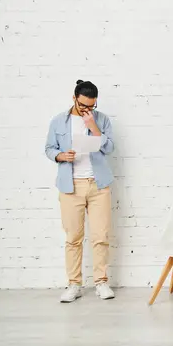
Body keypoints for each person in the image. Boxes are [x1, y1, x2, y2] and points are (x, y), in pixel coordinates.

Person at [45, 79, 116, 303]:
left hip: (98, 185)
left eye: (91, 106)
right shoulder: (59, 121)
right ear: (74, 98)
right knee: (73, 238)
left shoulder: (101, 119)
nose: (87, 109)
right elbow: (49, 148)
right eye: (83, 105)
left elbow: (110, 148)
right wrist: (60, 156)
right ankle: (74, 284)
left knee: (100, 236)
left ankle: (101, 282)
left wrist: (93, 127)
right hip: (70, 186)